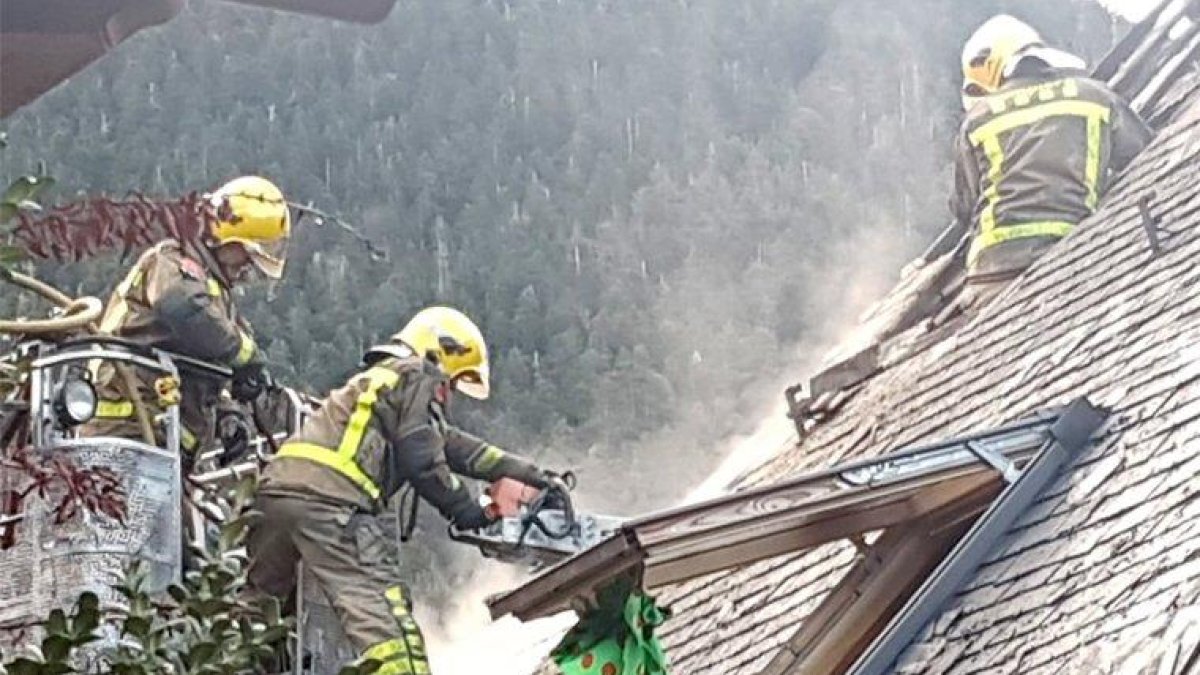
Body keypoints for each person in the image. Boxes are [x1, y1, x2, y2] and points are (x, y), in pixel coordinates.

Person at [246, 306, 554, 674]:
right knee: (386, 622)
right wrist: (468, 509)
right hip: (332, 507)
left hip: (274, 497)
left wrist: (526, 473)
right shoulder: (417, 373)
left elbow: (452, 446)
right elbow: (422, 457)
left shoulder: (380, 384)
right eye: (452, 384)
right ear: (440, 356)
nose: (447, 396)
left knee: (257, 615)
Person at [952, 15, 1151, 307]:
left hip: (990, 270)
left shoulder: (976, 120)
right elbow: (1143, 153)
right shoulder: (1093, 96)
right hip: (1067, 250)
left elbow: (964, 207)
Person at [85, 175, 290, 455]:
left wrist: (228, 413)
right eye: (248, 253)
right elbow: (181, 307)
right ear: (224, 238)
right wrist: (245, 356)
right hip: (127, 429)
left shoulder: (212, 289)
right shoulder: (172, 262)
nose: (249, 267)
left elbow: (199, 357)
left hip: (162, 439)